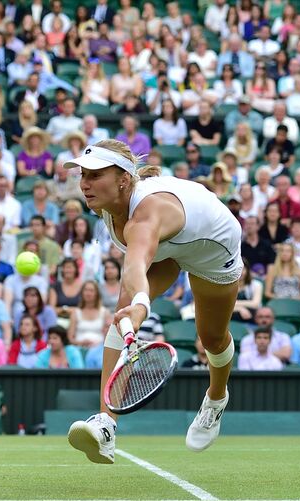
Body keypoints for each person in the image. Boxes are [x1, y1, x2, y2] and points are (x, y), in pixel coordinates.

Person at [64, 139, 244, 463]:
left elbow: (135, 263)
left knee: (212, 338)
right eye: (82, 175)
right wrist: (132, 307)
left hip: (212, 252)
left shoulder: (147, 212)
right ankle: (106, 425)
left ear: (122, 179)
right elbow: (135, 267)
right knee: (121, 315)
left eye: (94, 175)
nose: (85, 184)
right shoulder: (108, 207)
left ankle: (216, 399)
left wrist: (142, 304)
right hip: (169, 247)